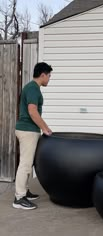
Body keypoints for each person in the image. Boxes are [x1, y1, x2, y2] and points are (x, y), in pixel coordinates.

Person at [13, 62, 53, 210]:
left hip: (29, 130)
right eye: (49, 76)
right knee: (25, 163)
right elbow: (32, 111)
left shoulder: (32, 88)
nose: (49, 79)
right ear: (42, 75)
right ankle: (19, 198)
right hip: (28, 131)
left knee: (28, 163)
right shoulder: (33, 89)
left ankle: (25, 191)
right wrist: (46, 129)